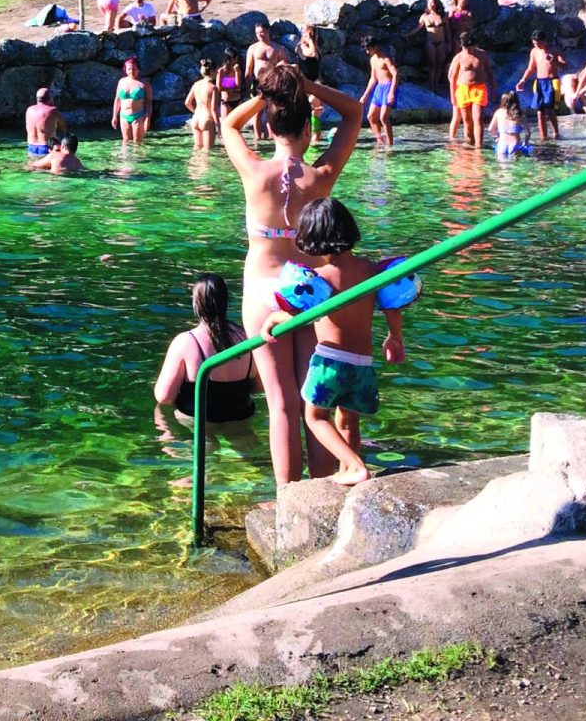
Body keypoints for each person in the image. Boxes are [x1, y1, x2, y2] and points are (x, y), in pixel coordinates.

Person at [221, 71, 365, 483]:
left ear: (268, 127)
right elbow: (354, 113)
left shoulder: (255, 172)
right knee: (311, 399)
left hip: (263, 292)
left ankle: (287, 496)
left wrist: (262, 95)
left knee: (279, 404)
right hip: (309, 291)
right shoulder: (321, 177)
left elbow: (228, 123)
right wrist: (309, 85)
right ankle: (320, 490)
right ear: (309, 127)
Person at [293, 198, 407, 487]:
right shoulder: (371, 270)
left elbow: (296, 314)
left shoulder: (320, 279)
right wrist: (395, 338)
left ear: (311, 237)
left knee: (315, 417)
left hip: (330, 362)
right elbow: (392, 305)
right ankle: (348, 470)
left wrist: (272, 321)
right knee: (348, 421)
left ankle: (355, 466)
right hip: (363, 364)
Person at [153, 273, 258, 424]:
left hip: (200, 419)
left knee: (164, 424)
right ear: (226, 302)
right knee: (244, 442)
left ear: (196, 303)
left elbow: (165, 397)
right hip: (242, 414)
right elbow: (259, 386)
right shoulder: (247, 339)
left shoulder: (186, 342)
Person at [514, 33, 564, 142]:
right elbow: (530, 68)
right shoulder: (534, 51)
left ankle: (556, 132)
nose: (536, 45)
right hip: (540, 82)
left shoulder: (554, 50)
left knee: (550, 110)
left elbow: (565, 65)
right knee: (539, 111)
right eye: (534, 44)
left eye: (538, 43)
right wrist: (523, 80)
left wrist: (554, 61)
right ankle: (543, 136)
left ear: (544, 41)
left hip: (552, 82)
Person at [447, 36, 492, 149]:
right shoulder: (459, 57)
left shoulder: (482, 54)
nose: (467, 50)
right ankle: (469, 141)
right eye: (465, 48)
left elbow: (489, 71)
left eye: (470, 48)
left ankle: (478, 145)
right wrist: (453, 96)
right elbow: (452, 77)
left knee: (478, 118)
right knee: (467, 120)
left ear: (474, 46)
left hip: (478, 88)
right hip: (463, 89)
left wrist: (493, 86)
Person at [360, 38, 397, 148]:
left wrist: (392, 92)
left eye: (369, 49)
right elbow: (373, 78)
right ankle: (380, 141)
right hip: (379, 88)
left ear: (375, 46)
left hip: (388, 87)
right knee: (371, 116)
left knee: (383, 118)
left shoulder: (386, 58)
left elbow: (395, 74)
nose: (367, 52)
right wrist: (365, 95)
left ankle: (390, 145)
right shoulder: (372, 60)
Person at [112, 58, 152, 142]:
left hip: (138, 116)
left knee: (137, 143)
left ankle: (139, 155)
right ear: (125, 70)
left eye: (134, 69)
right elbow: (117, 100)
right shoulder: (121, 82)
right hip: (123, 116)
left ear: (138, 69)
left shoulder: (144, 84)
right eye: (129, 69)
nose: (132, 71)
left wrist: (147, 119)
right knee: (126, 141)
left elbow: (149, 103)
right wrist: (114, 116)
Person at [186, 60, 222, 151]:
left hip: (196, 119)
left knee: (197, 148)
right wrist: (219, 127)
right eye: (217, 71)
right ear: (212, 71)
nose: (218, 73)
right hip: (207, 119)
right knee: (208, 151)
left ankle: (193, 165)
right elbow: (213, 109)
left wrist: (195, 112)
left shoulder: (196, 84)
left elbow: (187, 103)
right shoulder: (213, 88)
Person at [24, 87, 67, 161]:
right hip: (47, 148)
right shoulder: (53, 110)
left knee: (33, 168)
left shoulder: (29, 110)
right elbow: (63, 128)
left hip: (31, 147)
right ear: (50, 98)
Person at [417, 0, 450, 86]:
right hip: (430, 42)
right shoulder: (424, 16)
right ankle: (432, 86)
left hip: (442, 42)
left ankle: (436, 85)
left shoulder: (443, 15)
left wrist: (449, 43)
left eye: (432, 3)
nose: (430, 5)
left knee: (440, 65)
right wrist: (406, 35)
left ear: (436, 4)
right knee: (432, 65)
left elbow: (447, 31)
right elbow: (417, 28)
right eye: (429, 3)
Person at [492, 92, 531, 159]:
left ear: (503, 101)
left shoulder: (498, 112)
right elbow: (528, 132)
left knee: (503, 167)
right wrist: (526, 143)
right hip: (515, 145)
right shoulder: (520, 114)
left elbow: (491, 128)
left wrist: (496, 137)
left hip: (501, 144)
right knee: (515, 167)